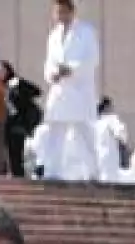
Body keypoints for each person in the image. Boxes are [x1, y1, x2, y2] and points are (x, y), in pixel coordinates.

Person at [38, 0, 99, 181]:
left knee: (84, 133)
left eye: (64, 11)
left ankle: (93, 173)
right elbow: (49, 62)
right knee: (55, 132)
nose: (60, 16)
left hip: (79, 90)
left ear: (72, 12)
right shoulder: (54, 35)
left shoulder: (86, 32)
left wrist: (71, 69)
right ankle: (52, 171)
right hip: (59, 91)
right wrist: (52, 74)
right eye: (58, 12)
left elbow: (92, 60)